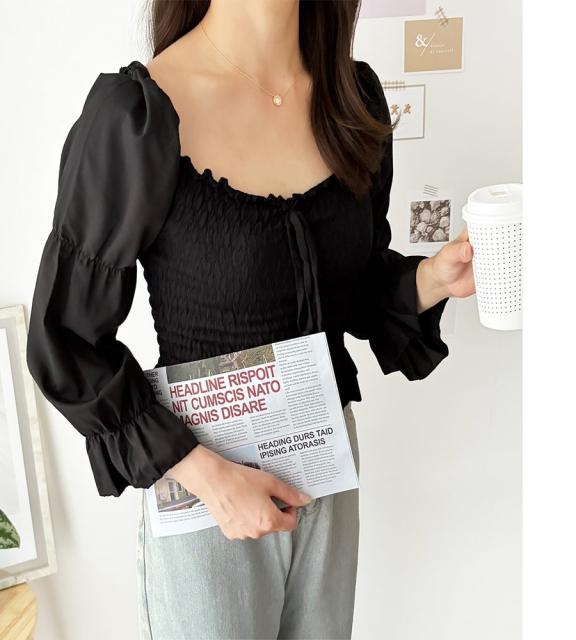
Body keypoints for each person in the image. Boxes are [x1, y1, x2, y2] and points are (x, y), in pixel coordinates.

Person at [26, 1, 475, 638]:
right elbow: (67, 337)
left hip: (327, 467)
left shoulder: (351, 98)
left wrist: (432, 280)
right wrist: (206, 477)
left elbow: (351, 287)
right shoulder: (137, 116)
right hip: (204, 484)